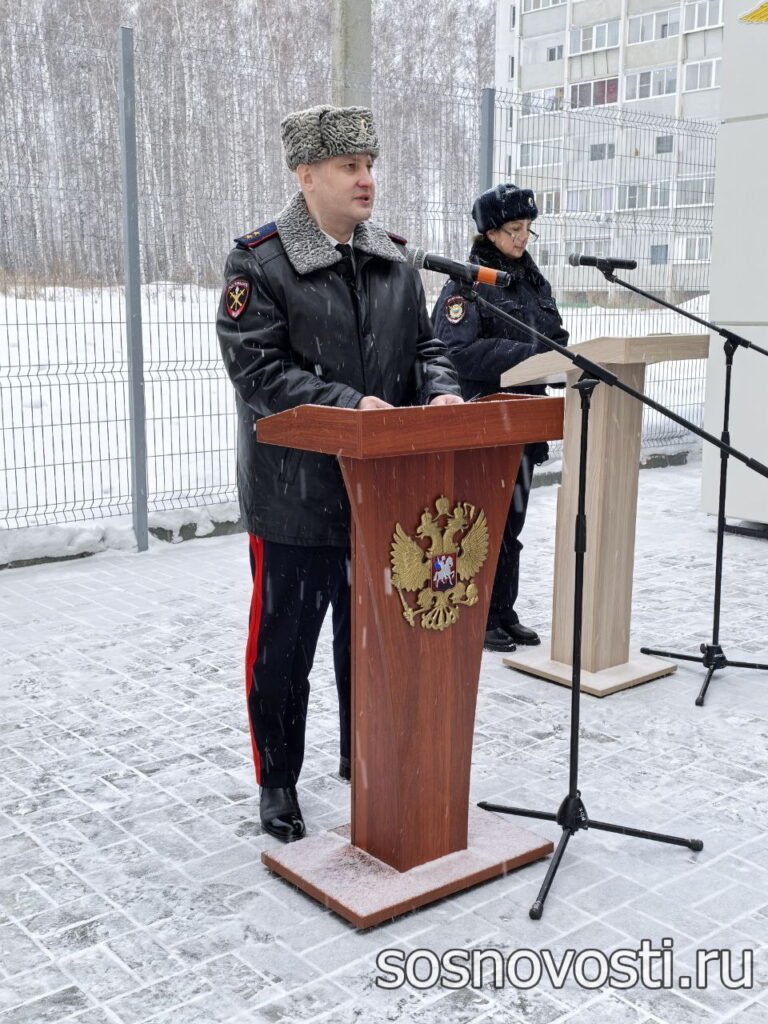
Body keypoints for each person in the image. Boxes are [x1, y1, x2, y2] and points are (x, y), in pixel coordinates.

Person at [216, 104, 462, 842]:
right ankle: (278, 781)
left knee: (376, 645)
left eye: (369, 165)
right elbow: (258, 369)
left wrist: (441, 389)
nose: (366, 180)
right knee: (284, 651)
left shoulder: (393, 260)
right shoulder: (261, 263)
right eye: (349, 166)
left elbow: (426, 347)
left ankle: (366, 755)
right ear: (307, 175)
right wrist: (351, 405)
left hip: (384, 497)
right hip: (297, 499)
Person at [433, 183, 569, 653]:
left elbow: (554, 335)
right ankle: (474, 612)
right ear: (490, 233)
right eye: (514, 229)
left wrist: (559, 358)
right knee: (477, 526)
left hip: (526, 425)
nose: (523, 237)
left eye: (528, 228)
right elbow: (454, 351)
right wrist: (529, 355)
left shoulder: (533, 282)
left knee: (511, 526)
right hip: (484, 424)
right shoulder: (467, 284)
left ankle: (501, 611)